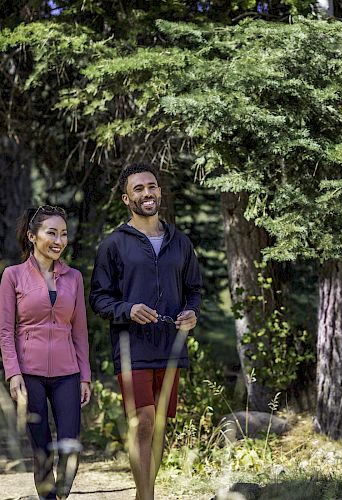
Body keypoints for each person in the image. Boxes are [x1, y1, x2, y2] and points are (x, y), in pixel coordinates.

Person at [90, 163, 201, 500]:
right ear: (127, 199)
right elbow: (98, 298)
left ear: (160, 192)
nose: (147, 193)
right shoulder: (114, 244)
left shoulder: (179, 242)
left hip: (170, 347)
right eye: (138, 189)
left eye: (151, 187)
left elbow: (194, 289)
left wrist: (192, 313)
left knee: (160, 429)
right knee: (144, 424)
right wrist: (127, 309)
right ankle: (147, 497)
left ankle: (144, 494)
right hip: (131, 348)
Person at [0, 205, 91, 500]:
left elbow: (79, 331)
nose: (59, 240)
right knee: (41, 449)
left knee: (70, 445)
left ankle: (61, 493)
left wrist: (85, 376)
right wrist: (13, 374)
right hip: (29, 375)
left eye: (64, 234)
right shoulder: (12, 276)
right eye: (51, 233)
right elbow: (5, 331)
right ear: (31, 236)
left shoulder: (74, 278)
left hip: (68, 373)